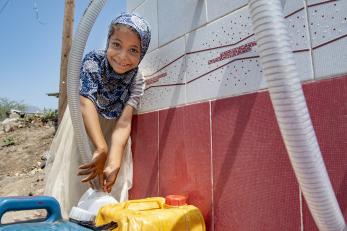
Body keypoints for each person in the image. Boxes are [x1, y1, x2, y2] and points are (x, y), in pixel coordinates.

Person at [44, 12, 151, 218]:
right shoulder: (93, 61)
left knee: (110, 182)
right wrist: (100, 146)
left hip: (113, 133)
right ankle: (67, 219)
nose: (122, 56)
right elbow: (85, 103)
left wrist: (114, 158)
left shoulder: (137, 80)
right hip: (83, 127)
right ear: (108, 41)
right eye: (116, 45)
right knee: (77, 178)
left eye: (133, 50)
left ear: (142, 52)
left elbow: (123, 123)